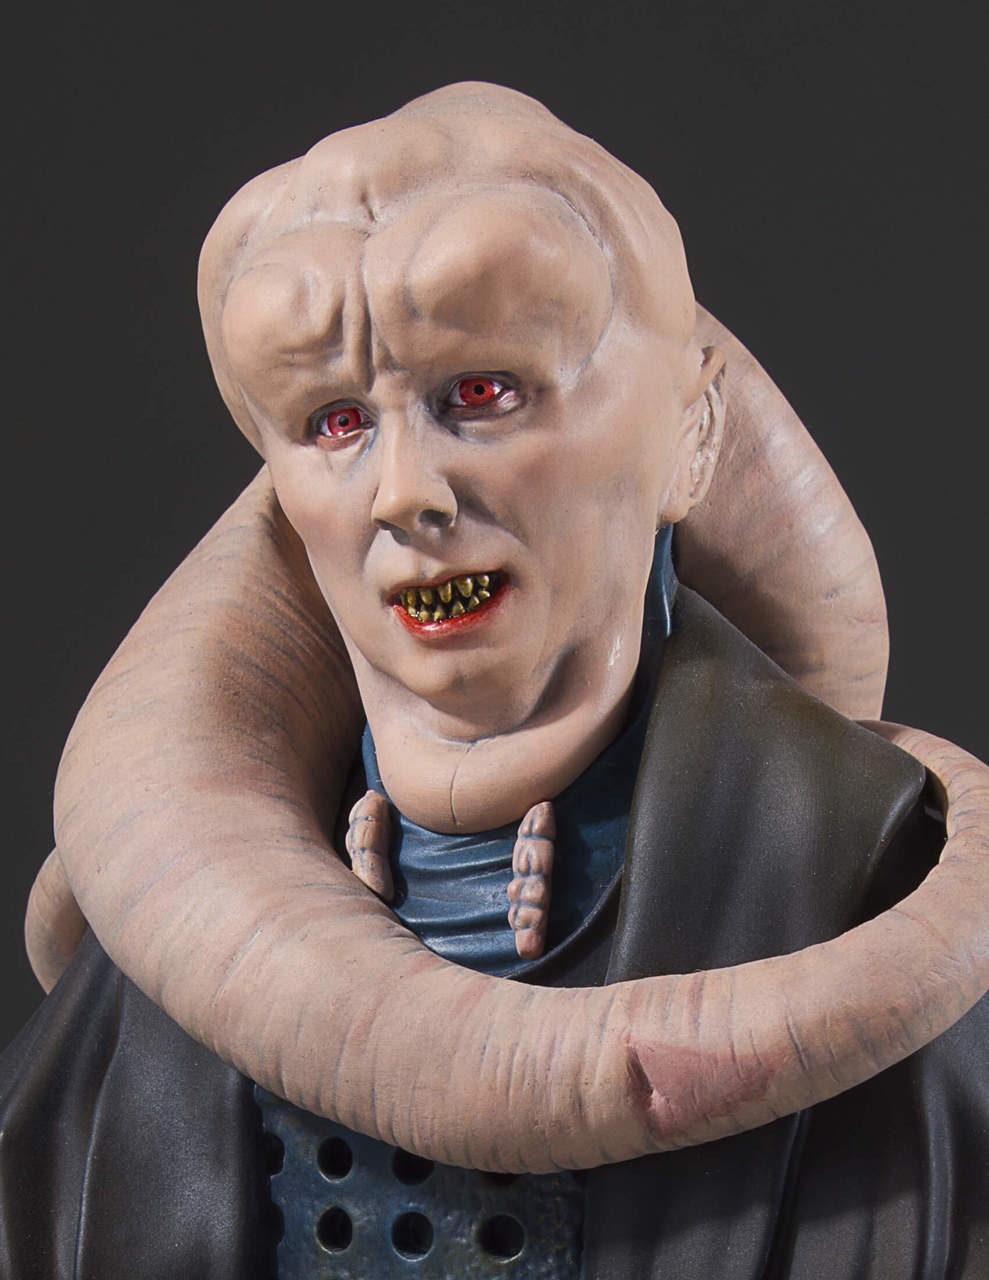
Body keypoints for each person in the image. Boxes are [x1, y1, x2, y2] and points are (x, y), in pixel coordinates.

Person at [3, 82, 988, 1279]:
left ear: (687, 434)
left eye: (480, 394)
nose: (403, 493)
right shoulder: (157, 962)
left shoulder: (856, 881)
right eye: (334, 422)